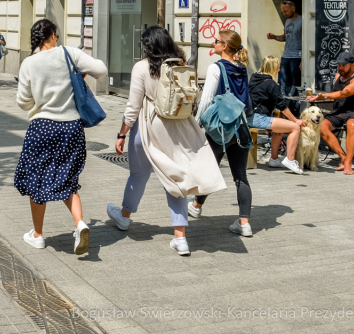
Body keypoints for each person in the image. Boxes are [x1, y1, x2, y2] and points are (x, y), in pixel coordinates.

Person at [107, 26, 226, 256]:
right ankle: (180, 238)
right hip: (178, 127)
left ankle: (124, 216)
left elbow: (132, 107)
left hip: (148, 127)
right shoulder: (179, 62)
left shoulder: (142, 67)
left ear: (148, 45)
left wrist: (122, 134)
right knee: (176, 179)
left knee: (138, 174)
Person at [14, 19, 108, 255]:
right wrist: (79, 73)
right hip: (71, 127)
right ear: (53, 36)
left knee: (37, 179)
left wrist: (39, 100)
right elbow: (101, 70)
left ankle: (37, 235)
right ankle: (80, 224)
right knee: (68, 179)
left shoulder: (28, 63)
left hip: (42, 127)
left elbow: (22, 101)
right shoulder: (69, 53)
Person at [188, 30, 255, 237]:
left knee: (209, 171)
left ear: (225, 46)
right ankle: (245, 223)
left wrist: (197, 124)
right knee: (240, 177)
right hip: (240, 128)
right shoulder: (243, 68)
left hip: (219, 129)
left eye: (216, 41)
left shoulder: (216, 68)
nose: (213, 44)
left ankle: (196, 207)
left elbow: (207, 98)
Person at [309, 52, 354, 175]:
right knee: (322, 126)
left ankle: (348, 163)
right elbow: (336, 96)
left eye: (343, 65)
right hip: (339, 111)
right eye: (339, 65)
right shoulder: (337, 77)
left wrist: (324, 96)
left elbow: (344, 93)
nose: (340, 67)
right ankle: (343, 157)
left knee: (352, 125)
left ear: (352, 65)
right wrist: (316, 98)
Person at [250, 55, 305, 174]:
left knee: (280, 128)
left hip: (249, 116)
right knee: (295, 127)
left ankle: (274, 159)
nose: (279, 70)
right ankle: (290, 159)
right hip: (258, 118)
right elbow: (282, 106)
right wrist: (296, 120)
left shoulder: (254, 78)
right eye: (278, 67)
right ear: (274, 68)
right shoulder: (271, 83)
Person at [267, 1, 302, 97]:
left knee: (295, 84)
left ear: (293, 9)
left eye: (286, 11)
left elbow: (307, 41)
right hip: (285, 56)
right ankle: (283, 103)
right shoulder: (287, 21)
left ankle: (294, 105)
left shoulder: (302, 21)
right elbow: (285, 37)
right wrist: (274, 37)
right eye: (283, 12)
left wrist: (304, 60)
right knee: (282, 83)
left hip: (296, 57)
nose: (284, 14)